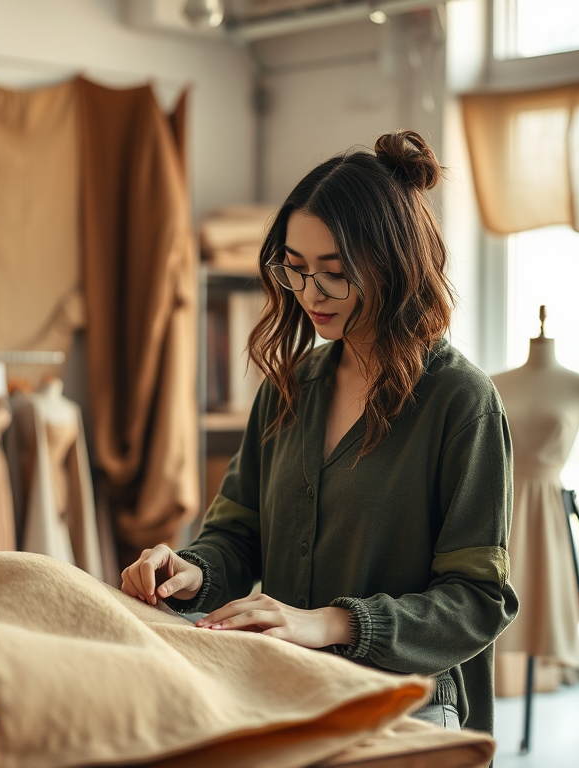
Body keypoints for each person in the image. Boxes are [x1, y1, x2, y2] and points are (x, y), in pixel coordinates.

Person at [121, 130, 519, 735]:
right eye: (296, 268)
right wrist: (192, 570)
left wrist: (333, 622)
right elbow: (237, 533)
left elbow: (477, 602)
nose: (309, 294)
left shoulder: (460, 403)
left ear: (394, 267)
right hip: (285, 689)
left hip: (406, 708)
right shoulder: (291, 386)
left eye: (334, 273)